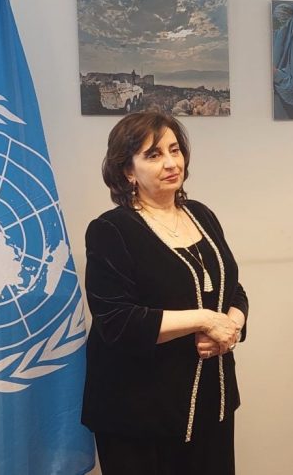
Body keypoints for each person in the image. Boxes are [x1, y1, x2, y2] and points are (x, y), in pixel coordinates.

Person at [82, 111, 248, 475]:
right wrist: (204, 320)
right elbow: (117, 322)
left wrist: (230, 328)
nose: (171, 163)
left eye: (175, 150)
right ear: (128, 170)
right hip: (139, 413)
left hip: (211, 400)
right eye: (153, 155)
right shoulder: (111, 230)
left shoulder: (202, 215)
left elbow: (232, 290)